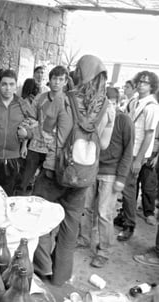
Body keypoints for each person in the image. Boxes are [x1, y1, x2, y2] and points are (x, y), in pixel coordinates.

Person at [32, 55, 115, 286]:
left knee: (41, 223)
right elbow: (105, 145)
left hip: (53, 172)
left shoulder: (64, 99)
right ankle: (60, 277)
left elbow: (46, 129)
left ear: (80, 73)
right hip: (83, 177)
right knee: (70, 230)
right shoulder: (108, 108)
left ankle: (42, 269)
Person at [78, 87, 134, 268]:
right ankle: (84, 238)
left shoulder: (124, 121)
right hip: (93, 169)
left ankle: (103, 250)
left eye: (112, 103)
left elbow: (128, 151)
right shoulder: (96, 119)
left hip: (111, 173)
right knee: (86, 208)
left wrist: (121, 178)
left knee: (104, 214)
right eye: (105, 103)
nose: (108, 107)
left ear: (118, 103)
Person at [115, 71, 159, 241]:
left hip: (135, 155)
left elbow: (149, 135)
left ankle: (129, 224)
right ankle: (123, 217)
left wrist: (140, 159)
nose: (141, 85)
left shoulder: (152, 107)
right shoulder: (134, 102)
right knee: (128, 189)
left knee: (128, 189)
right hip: (126, 151)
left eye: (146, 83)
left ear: (152, 86)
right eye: (140, 81)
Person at [19, 66, 69, 196]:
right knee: (23, 182)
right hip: (35, 146)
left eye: (61, 79)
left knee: (45, 188)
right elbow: (29, 121)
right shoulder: (40, 98)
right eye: (54, 78)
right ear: (50, 79)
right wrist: (25, 144)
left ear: (66, 82)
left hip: (54, 151)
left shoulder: (68, 102)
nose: (57, 82)